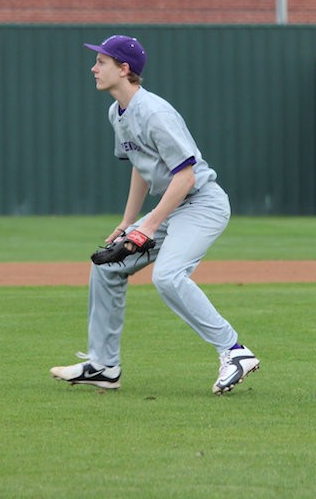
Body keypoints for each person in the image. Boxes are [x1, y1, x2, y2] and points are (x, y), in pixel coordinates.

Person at [50, 35, 259, 395]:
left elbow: (186, 175)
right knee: (107, 267)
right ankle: (103, 365)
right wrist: (126, 222)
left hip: (202, 204)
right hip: (174, 206)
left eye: (102, 62)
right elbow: (140, 166)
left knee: (168, 276)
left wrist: (148, 226)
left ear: (124, 69)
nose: (94, 68)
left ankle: (235, 351)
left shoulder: (155, 112)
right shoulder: (117, 112)